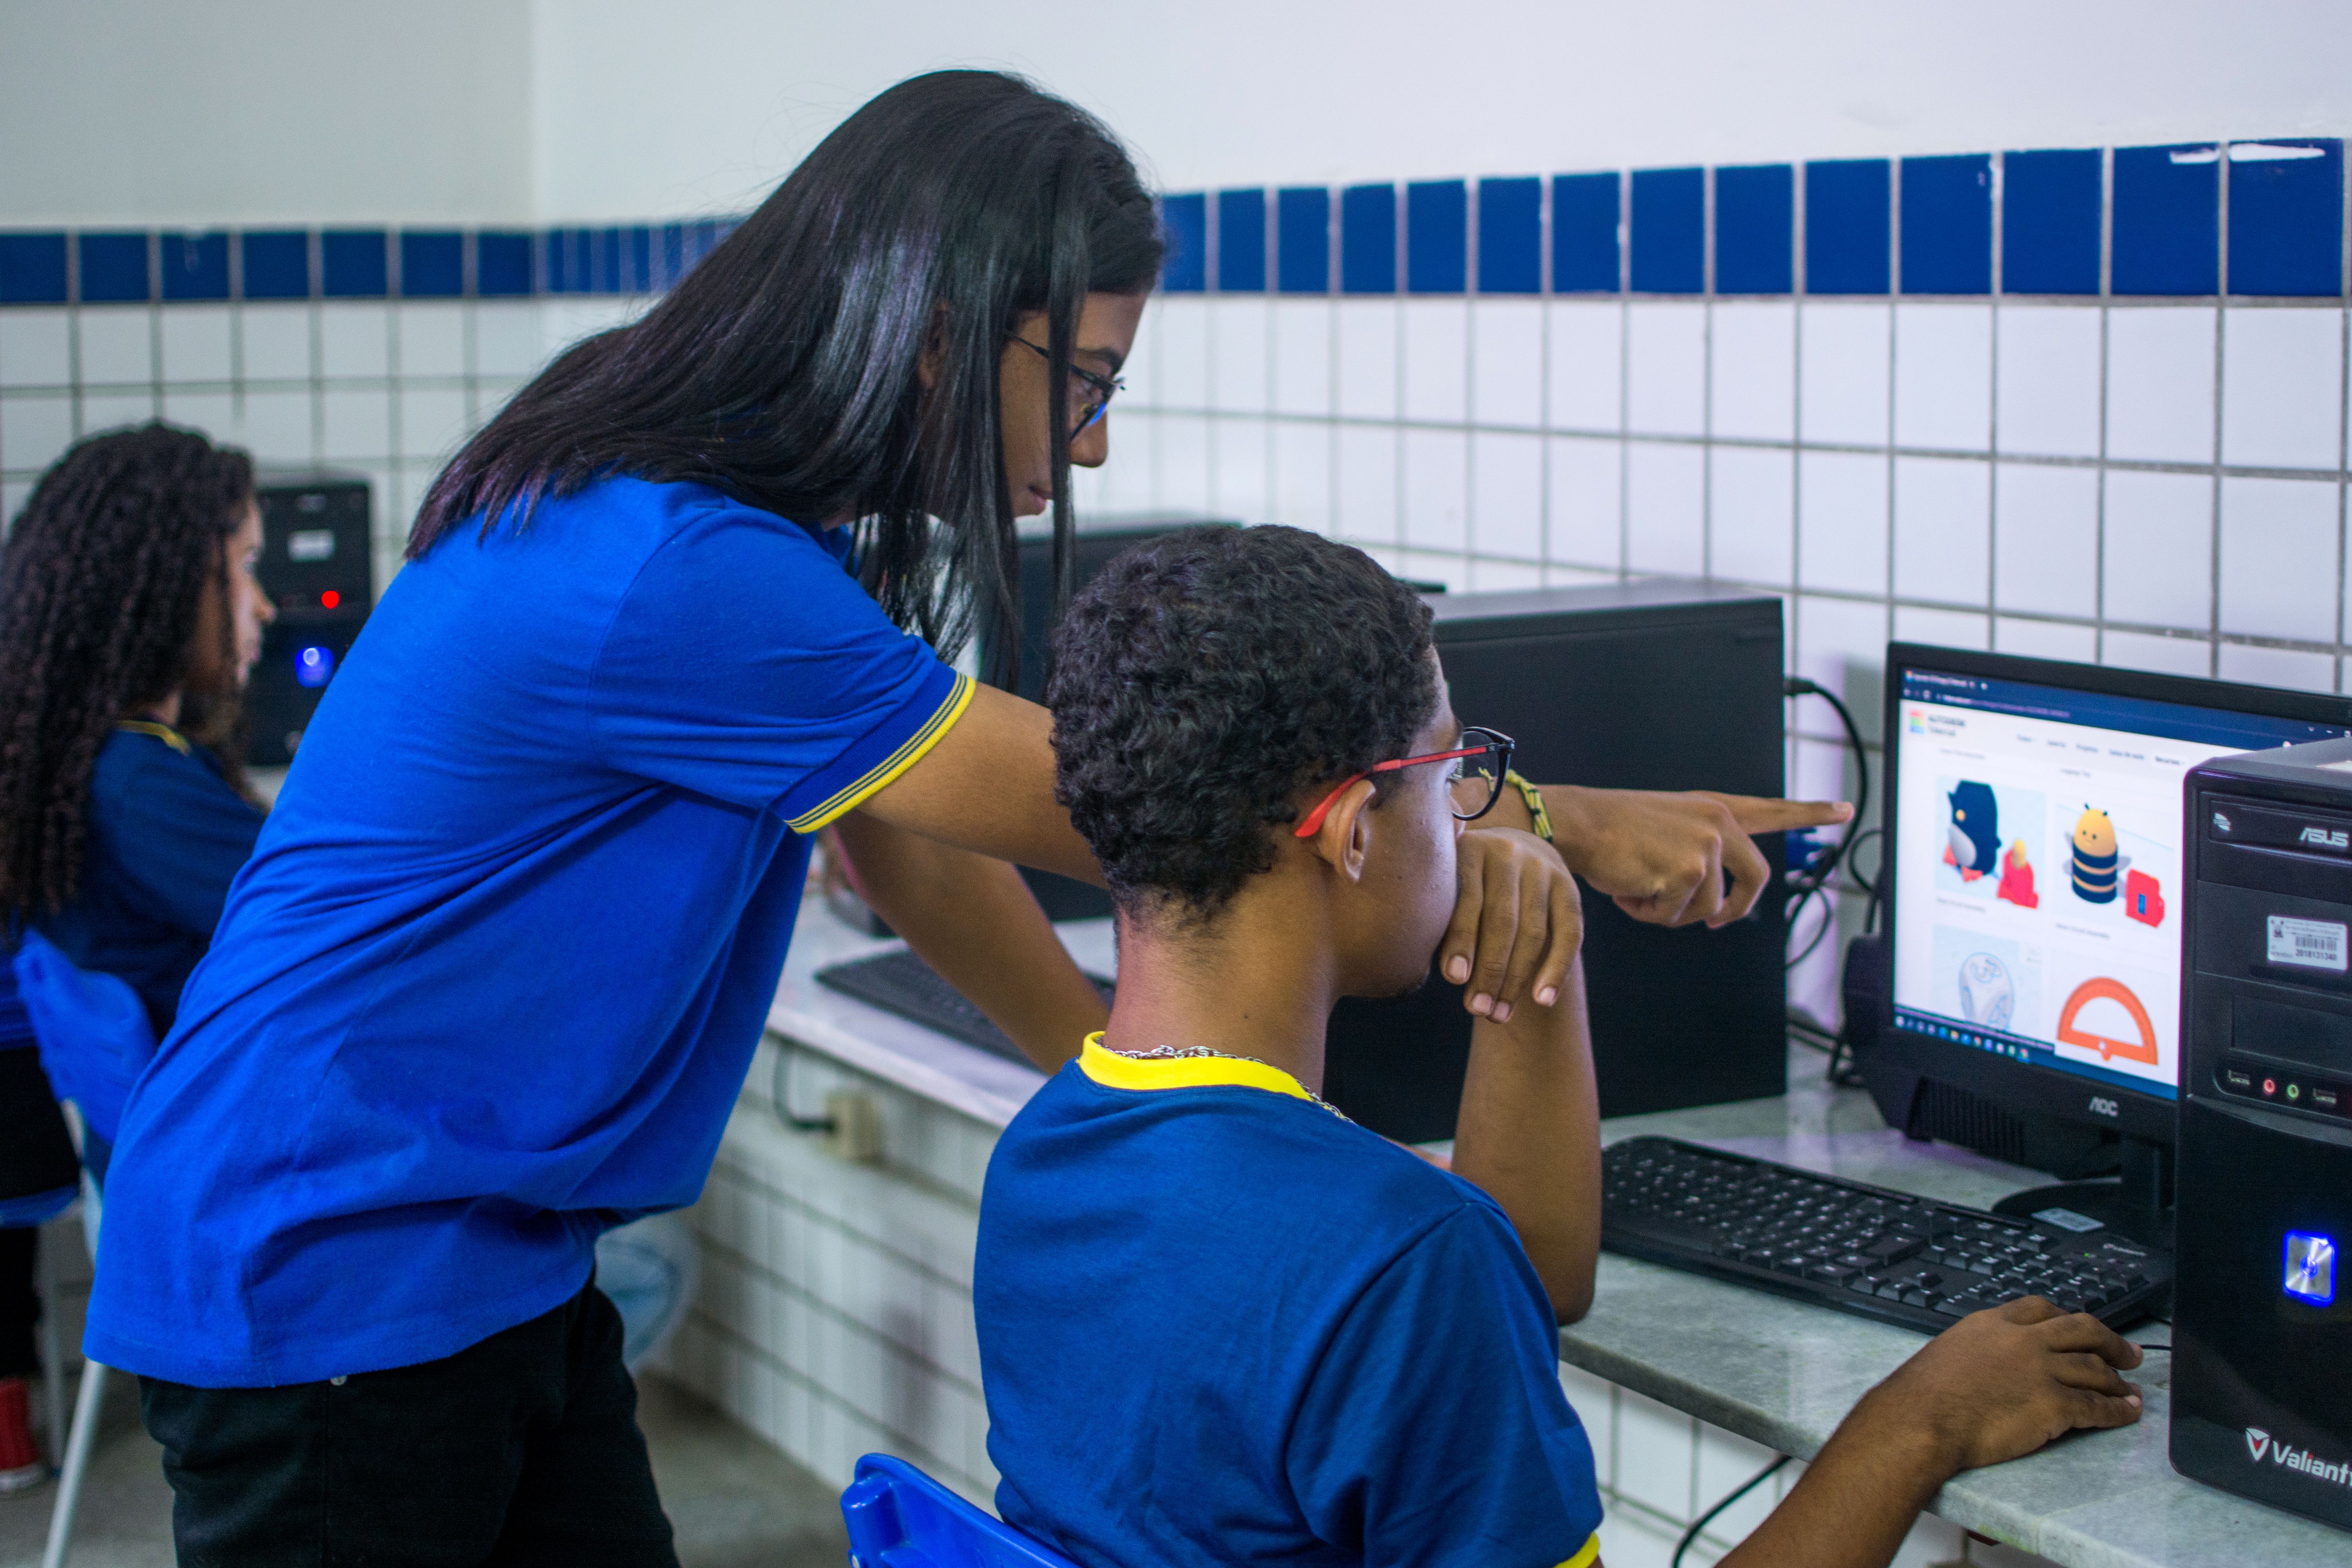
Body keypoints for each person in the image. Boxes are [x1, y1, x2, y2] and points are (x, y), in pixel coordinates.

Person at [85, 72, 1840, 1564]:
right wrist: (1563, 816)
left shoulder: (705, 514)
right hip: (327, 1254)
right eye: (1076, 375)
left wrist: (1104, 1070)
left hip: (470, 1242)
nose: (1081, 449)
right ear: (935, 332)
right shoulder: (678, 565)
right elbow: (1171, 796)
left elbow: (893, 825)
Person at [975, 524, 2147, 1568]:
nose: (1478, 810)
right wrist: (1912, 1426)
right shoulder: (1397, 1258)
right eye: (1455, 777)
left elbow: (1525, 1280)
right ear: (1345, 832)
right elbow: (1435, 1287)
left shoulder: (1045, 1155)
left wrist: (1541, 958)